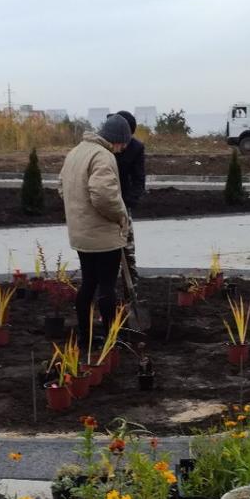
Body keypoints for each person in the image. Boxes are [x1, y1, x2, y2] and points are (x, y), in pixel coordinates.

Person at [60, 113, 131, 341]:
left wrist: (78, 209)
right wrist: (121, 216)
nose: (121, 150)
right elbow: (103, 196)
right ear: (118, 140)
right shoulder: (103, 156)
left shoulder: (76, 151)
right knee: (107, 287)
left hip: (81, 234)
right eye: (123, 144)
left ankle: (85, 337)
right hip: (102, 236)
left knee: (88, 283)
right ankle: (111, 338)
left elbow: (62, 186)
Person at [113, 110, 146, 281]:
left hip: (123, 205)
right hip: (99, 205)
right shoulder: (103, 146)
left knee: (127, 253)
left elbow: (139, 179)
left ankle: (130, 295)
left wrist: (127, 203)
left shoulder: (136, 148)